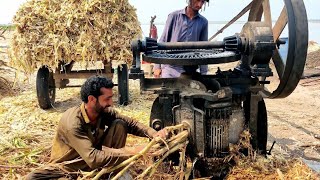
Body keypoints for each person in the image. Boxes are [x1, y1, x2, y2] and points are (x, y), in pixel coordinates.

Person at [26, 75, 167, 179]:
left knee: (120, 124)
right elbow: (93, 158)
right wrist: (134, 151)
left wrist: (154, 133)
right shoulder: (73, 123)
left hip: (95, 162)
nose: (111, 103)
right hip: (70, 167)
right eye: (107, 99)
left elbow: (131, 123)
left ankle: (111, 172)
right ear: (92, 99)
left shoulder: (102, 112)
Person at [153, 0, 209, 78]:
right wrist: (157, 66)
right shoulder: (173, 16)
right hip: (170, 68)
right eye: (197, 0)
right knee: (166, 89)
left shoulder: (203, 22)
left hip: (190, 70)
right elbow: (163, 40)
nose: (199, 5)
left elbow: (204, 48)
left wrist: (204, 73)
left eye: (202, 2)